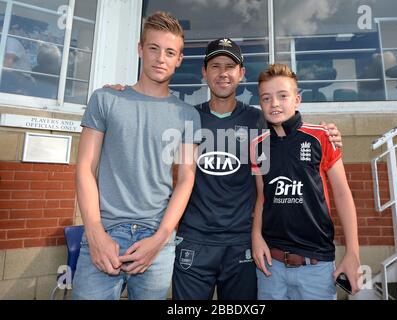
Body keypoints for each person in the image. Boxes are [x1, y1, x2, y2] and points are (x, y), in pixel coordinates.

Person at [106, 38, 343, 300]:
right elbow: (150, 110)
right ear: (204, 72)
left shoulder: (259, 119)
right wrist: (123, 93)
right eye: (215, 66)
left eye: (230, 66)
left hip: (242, 243)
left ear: (241, 73)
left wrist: (328, 132)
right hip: (194, 241)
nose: (223, 73)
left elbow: (290, 125)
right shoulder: (186, 116)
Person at [72, 11, 201, 300]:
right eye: (153, 48)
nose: (160, 58)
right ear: (140, 49)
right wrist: (94, 232)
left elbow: (185, 180)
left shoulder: (188, 115)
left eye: (170, 52)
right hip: (105, 233)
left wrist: (160, 238)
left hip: (156, 239)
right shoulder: (105, 99)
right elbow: (85, 168)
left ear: (179, 59)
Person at [251, 63, 360, 300]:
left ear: (297, 99)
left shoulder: (321, 137)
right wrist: (256, 237)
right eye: (266, 98)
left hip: (316, 266)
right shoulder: (257, 146)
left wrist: (353, 252)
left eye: (282, 96)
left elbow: (342, 194)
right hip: (272, 266)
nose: (274, 104)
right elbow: (262, 197)